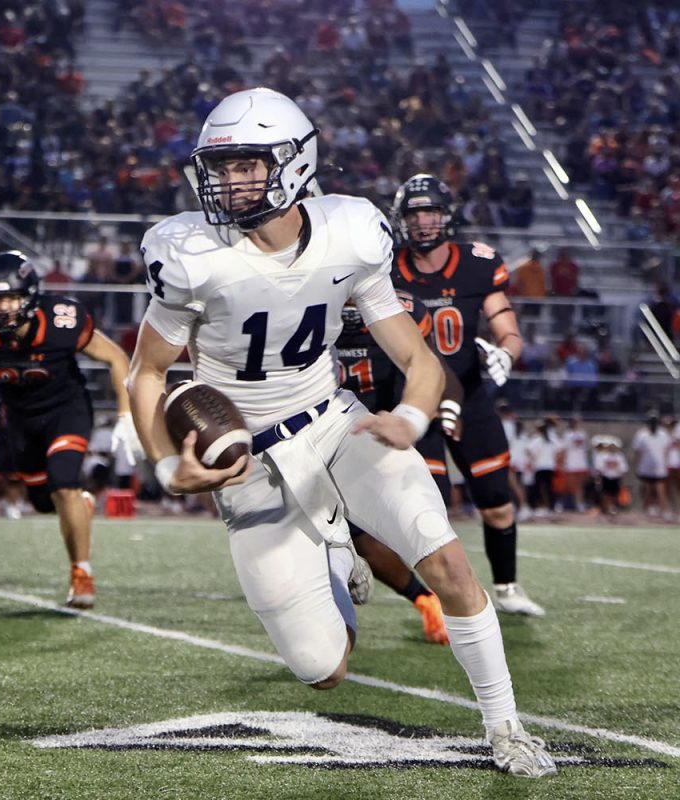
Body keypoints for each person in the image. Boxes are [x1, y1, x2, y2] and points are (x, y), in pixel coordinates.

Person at [127, 88, 555, 778]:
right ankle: (333, 553)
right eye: (221, 166)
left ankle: (506, 726)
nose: (230, 181)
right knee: (321, 670)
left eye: (247, 165)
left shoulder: (350, 234)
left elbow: (419, 361)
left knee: (445, 560)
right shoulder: (191, 254)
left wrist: (411, 418)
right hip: (248, 461)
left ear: (295, 164)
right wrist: (163, 464)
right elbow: (147, 373)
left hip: (333, 420)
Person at [0, 251, 143, 609]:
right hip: (20, 422)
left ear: (31, 295)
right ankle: (79, 506)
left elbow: (116, 358)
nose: (4, 307)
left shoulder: (61, 320)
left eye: (12, 297)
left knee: (64, 483)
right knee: (44, 502)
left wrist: (126, 414)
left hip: (67, 411)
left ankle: (81, 575)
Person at [390, 174, 545, 618]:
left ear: (447, 216)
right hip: (417, 400)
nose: (422, 223)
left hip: (471, 397)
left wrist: (507, 354)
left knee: (497, 504)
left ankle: (508, 587)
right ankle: (444, 599)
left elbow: (506, 327)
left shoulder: (477, 263)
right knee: (429, 512)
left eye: (430, 212)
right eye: (414, 213)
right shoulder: (386, 267)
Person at [336, 291, 465, 645]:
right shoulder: (302, 301)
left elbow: (432, 366)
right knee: (353, 536)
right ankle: (421, 599)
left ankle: (452, 604)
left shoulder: (396, 306)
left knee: (424, 528)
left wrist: (447, 408)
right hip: (335, 432)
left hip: (392, 427)